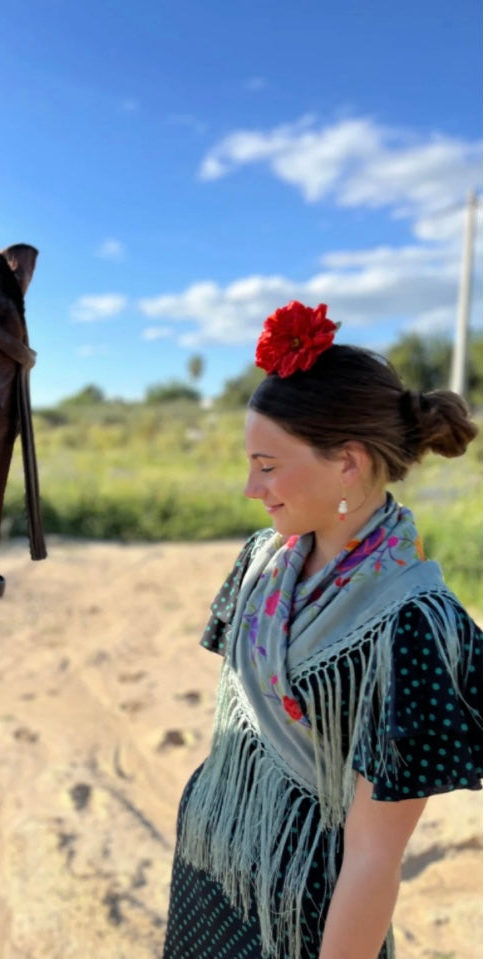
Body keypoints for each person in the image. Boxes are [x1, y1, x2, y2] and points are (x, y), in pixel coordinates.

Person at [162, 301, 482, 959]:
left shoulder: (411, 625)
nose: (251, 486)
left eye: (269, 464)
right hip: (205, 868)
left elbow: (372, 855)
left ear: (349, 463)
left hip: (300, 919)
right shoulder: (263, 556)